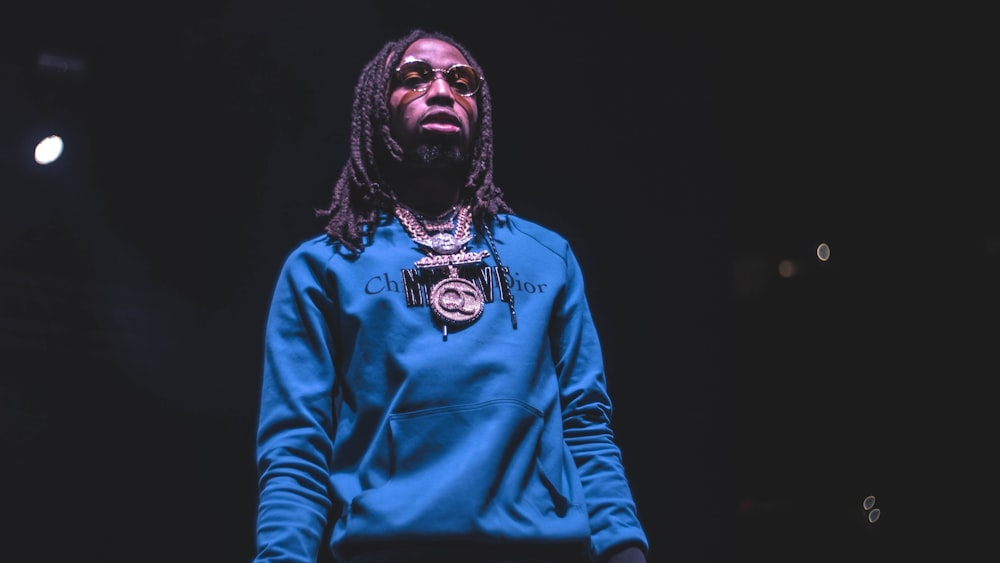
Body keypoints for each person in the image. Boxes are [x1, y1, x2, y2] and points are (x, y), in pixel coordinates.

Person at [252, 28, 650, 563]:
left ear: (480, 117)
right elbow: (296, 446)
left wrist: (624, 550)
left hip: (544, 549)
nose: (441, 91)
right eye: (414, 78)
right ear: (377, 110)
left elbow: (586, 423)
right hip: (390, 549)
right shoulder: (323, 267)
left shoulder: (546, 257)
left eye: (461, 82)